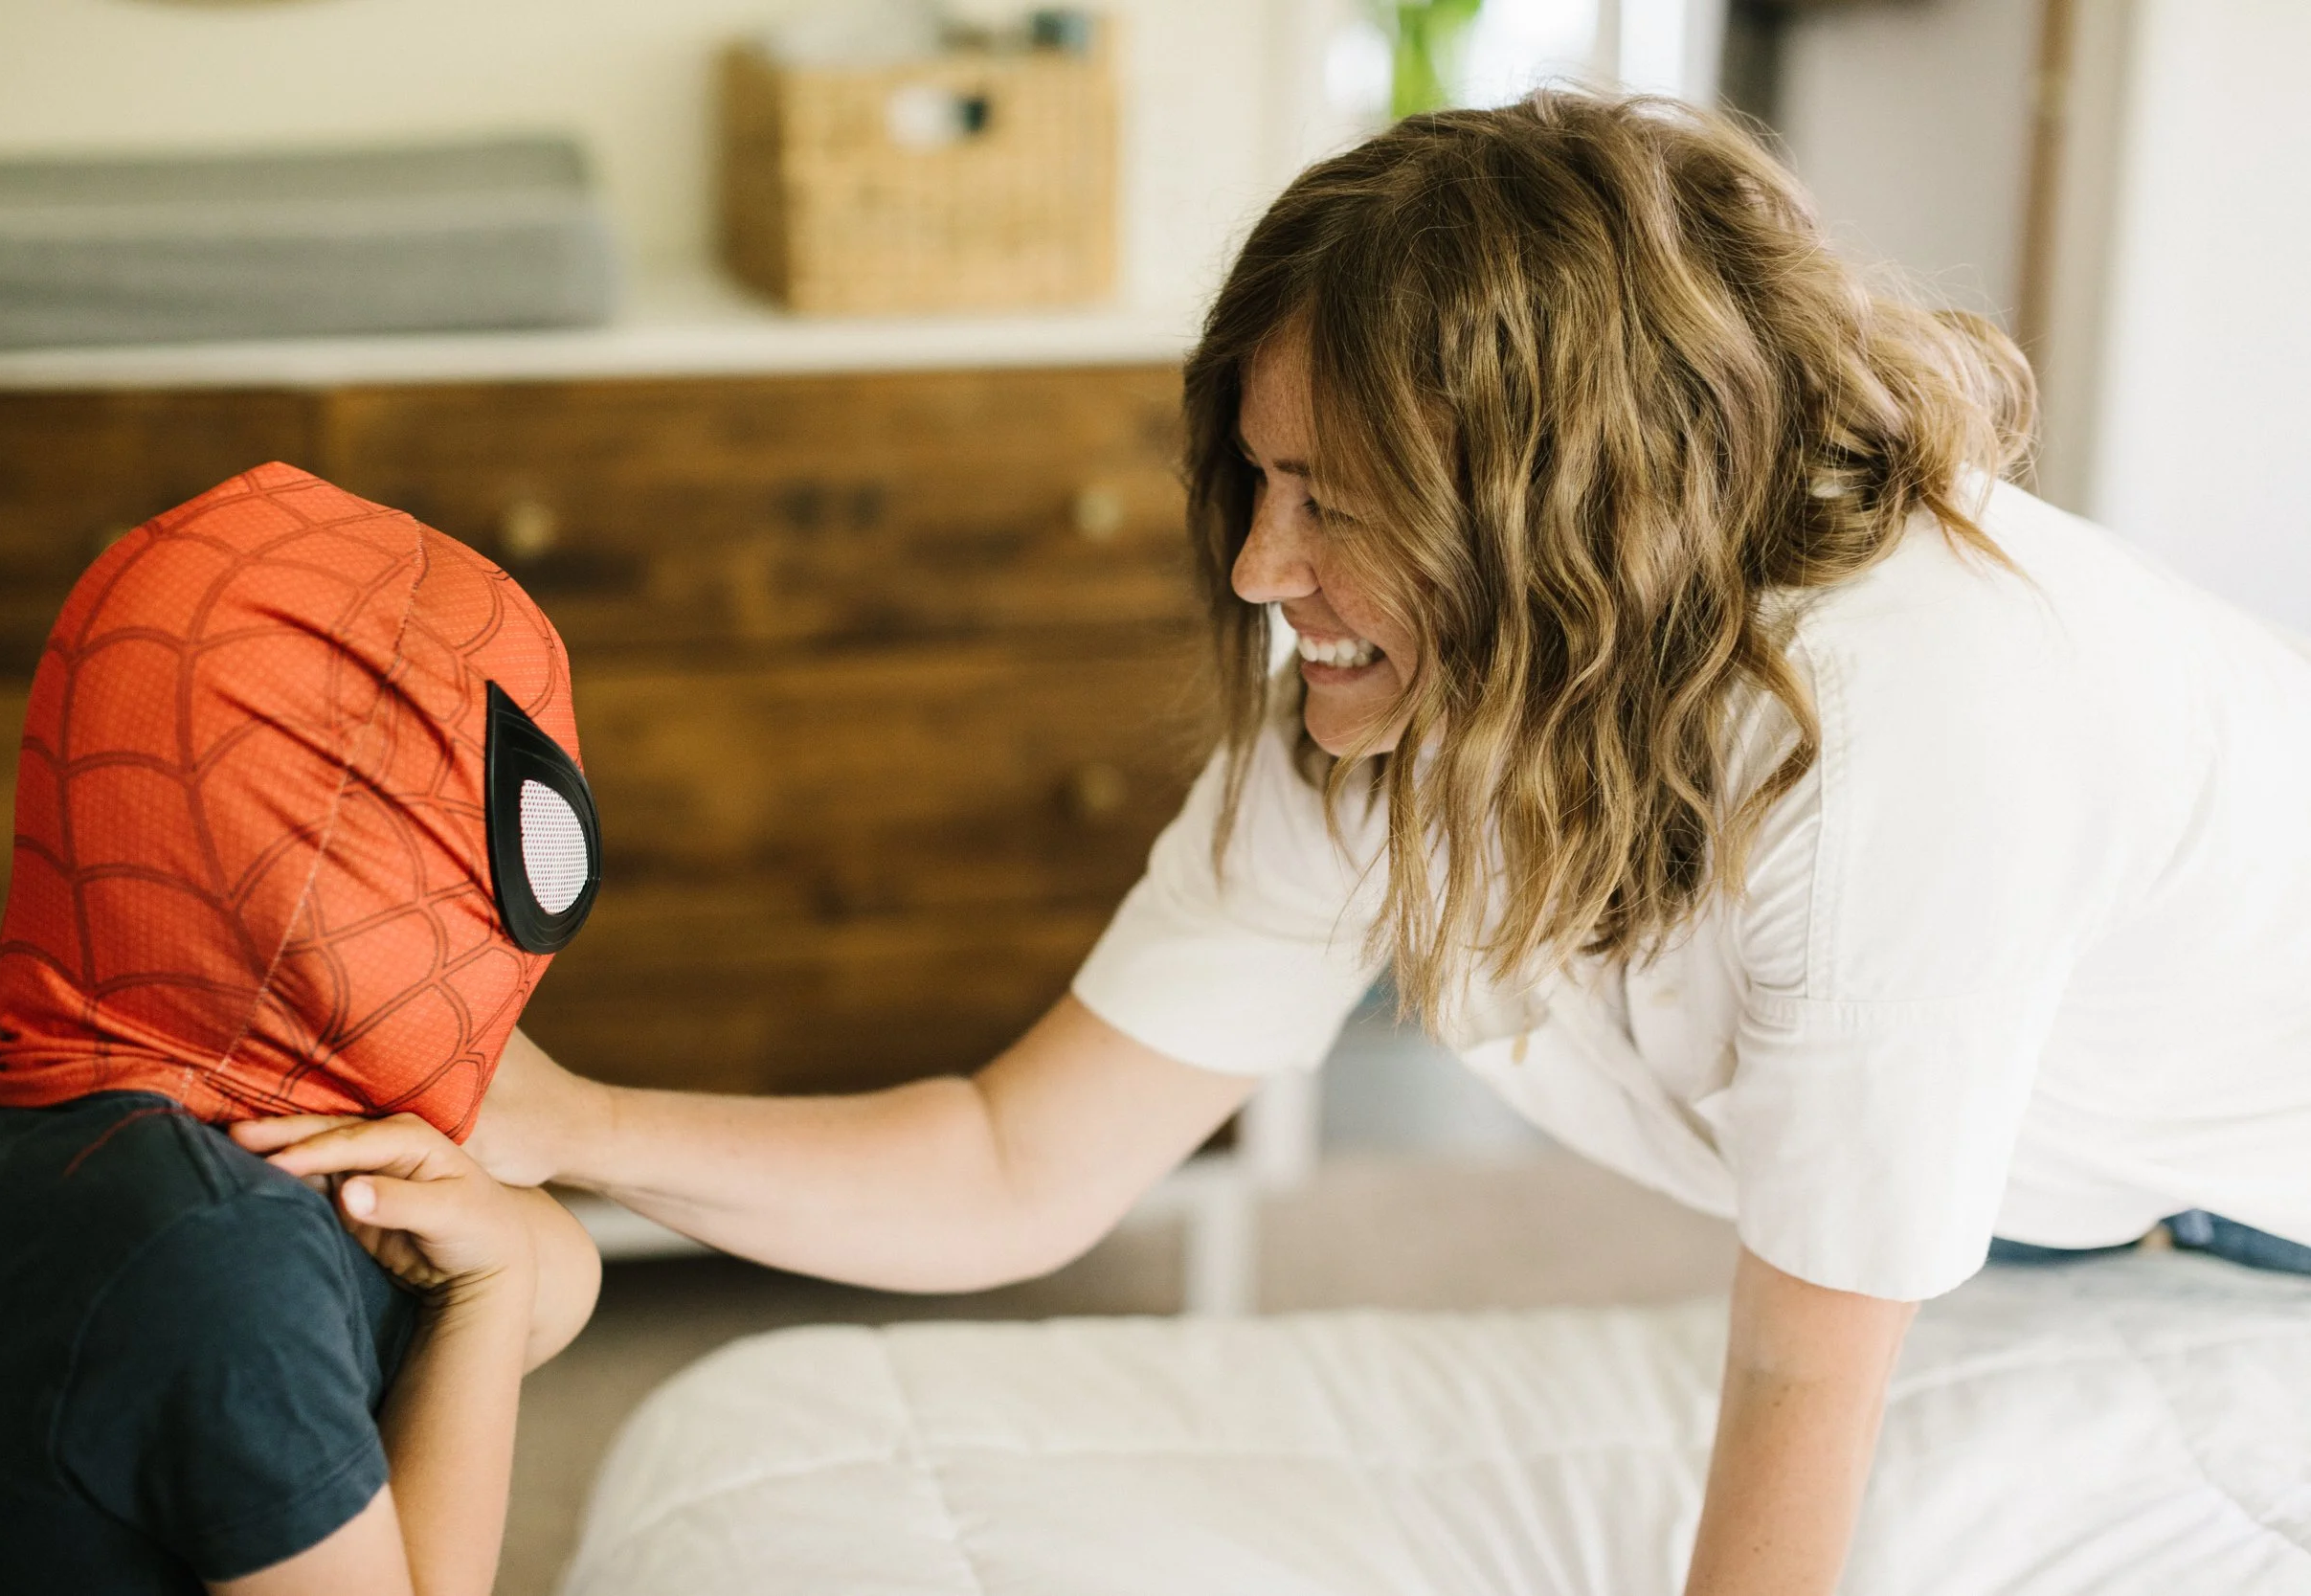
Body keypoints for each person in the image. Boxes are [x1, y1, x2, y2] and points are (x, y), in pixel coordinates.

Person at [459, 93, 2311, 1592]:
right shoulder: (1399, 709)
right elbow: (1016, 1161)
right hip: (2072, 1197)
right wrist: (576, 1127)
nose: (1263, 571)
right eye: (1260, 481)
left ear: (1558, 512)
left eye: (1334, 501)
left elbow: (1800, 1370)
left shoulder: (1910, 730)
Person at [0, 463, 605, 1595]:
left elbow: (563, 1277)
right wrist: (478, 1299)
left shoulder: (120, 1113)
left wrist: (490, 1257)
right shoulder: (211, 1248)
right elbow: (521, 1297)